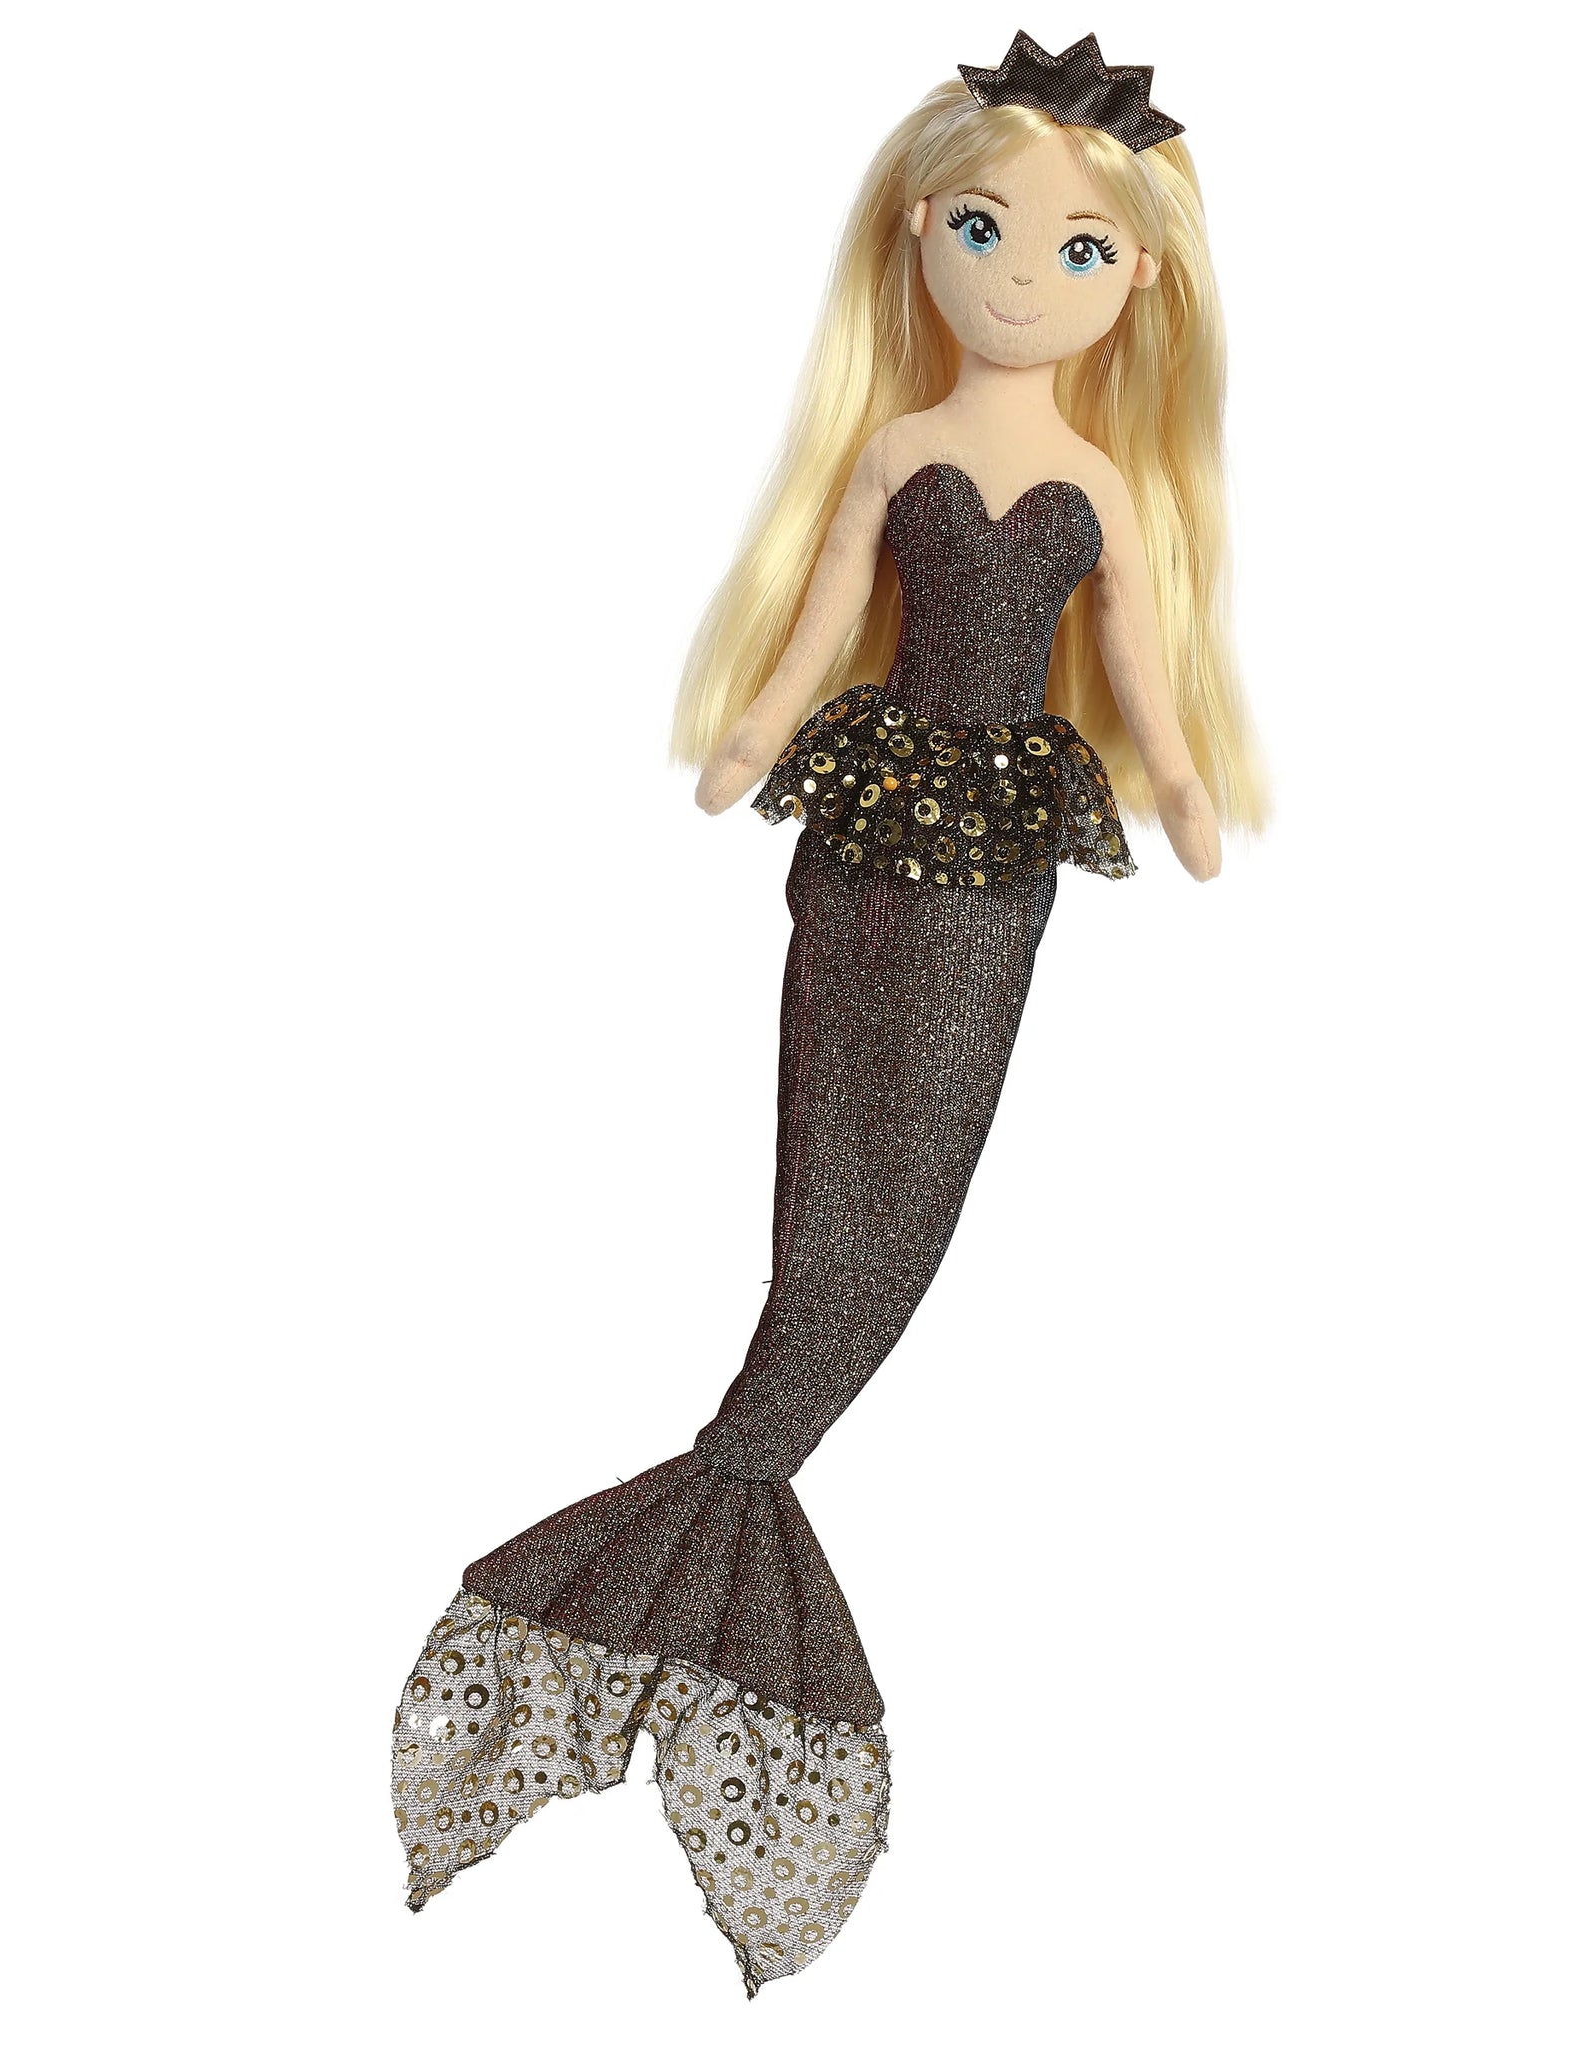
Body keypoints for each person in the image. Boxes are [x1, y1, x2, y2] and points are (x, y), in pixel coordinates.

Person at [391, 32, 1266, 1995]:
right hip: (869, 830)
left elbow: (1139, 656)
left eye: (1077, 249)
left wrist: (1186, 786)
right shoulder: (894, 450)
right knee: (823, 1154)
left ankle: (734, 1476)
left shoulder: (1101, 486)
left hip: (999, 861)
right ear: (920, 236)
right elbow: (811, 620)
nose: (1022, 276)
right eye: (984, 230)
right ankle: (721, 1505)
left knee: (908, 1187)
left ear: (1138, 281)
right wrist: (758, 729)